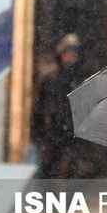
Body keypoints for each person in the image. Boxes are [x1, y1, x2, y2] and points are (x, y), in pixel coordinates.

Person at [31, 33, 85, 179]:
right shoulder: (50, 77)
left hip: (67, 135)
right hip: (50, 134)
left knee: (65, 174)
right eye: (68, 53)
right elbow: (40, 106)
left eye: (73, 54)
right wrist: (38, 134)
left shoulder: (76, 79)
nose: (70, 57)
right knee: (50, 172)